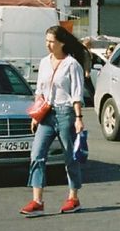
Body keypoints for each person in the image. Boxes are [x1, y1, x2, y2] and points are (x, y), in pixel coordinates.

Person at [22, 26, 87, 216]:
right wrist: (36, 115)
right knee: (37, 154)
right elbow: (39, 90)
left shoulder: (72, 64)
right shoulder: (44, 63)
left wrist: (78, 118)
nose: (48, 45)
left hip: (65, 112)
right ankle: (37, 201)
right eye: (47, 41)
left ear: (62, 43)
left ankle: (73, 197)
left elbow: (76, 93)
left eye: (52, 41)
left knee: (70, 156)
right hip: (46, 113)